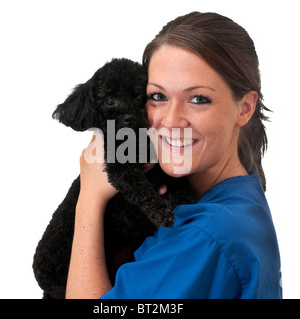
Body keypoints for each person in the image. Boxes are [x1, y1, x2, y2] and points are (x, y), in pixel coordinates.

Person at [65, 12, 282, 299]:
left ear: (244, 108)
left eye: (198, 99)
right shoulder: (238, 192)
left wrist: (90, 196)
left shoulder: (203, 237)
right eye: (157, 96)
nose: (170, 120)